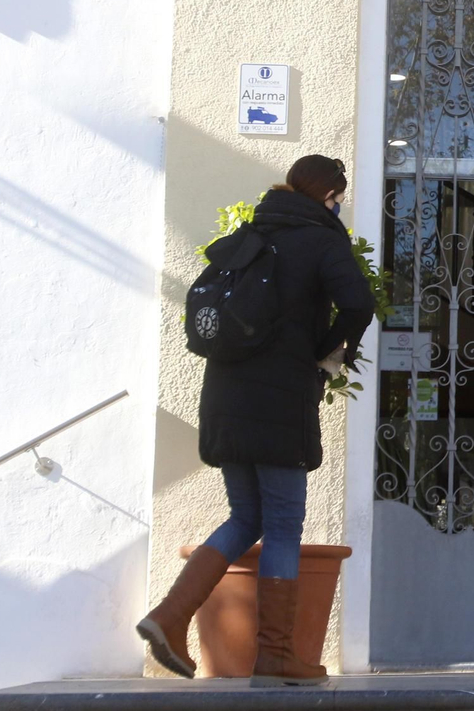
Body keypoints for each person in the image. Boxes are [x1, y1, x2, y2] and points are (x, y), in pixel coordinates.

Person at [138, 156, 374, 686]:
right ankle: (276, 656)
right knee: (284, 524)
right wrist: (322, 350)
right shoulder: (322, 239)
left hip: (226, 395)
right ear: (328, 195)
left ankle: (170, 616)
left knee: (246, 517)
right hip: (279, 400)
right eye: (339, 197)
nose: (339, 205)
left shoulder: (252, 234)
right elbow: (359, 303)